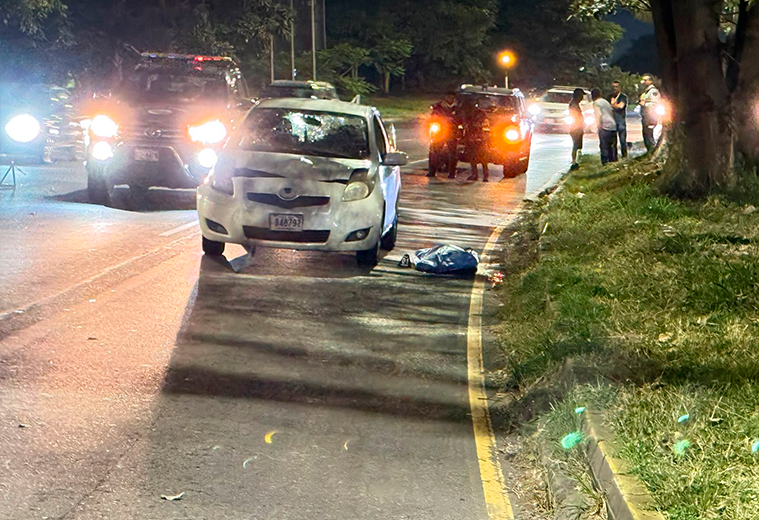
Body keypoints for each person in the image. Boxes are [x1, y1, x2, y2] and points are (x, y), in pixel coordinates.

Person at [428, 92, 458, 178]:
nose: (450, 99)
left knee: (453, 153)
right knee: (434, 151)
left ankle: (452, 173)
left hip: (452, 132)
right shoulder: (438, 106)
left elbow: (461, 118)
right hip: (440, 131)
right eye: (448, 97)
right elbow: (433, 116)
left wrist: (453, 120)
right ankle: (432, 171)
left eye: (452, 97)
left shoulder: (457, 108)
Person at [464, 99, 492, 182]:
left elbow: (485, 126)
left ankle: (484, 176)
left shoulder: (481, 114)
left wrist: (481, 136)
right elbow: (466, 126)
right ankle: (476, 174)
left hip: (480, 139)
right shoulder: (468, 114)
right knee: (473, 157)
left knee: (483, 158)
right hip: (472, 139)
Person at [591, 88, 618, 165]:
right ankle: (613, 162)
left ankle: (605, 163)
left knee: (604, 146)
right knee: (612, 146)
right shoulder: (605, 102)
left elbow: (598, 115)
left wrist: (598, 126)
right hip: (613, 125)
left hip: (605, 126)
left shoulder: (596, 103)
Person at [638, 74, 661, 152]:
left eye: (645, 80)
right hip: (646, 117)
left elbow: (655, 103)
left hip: (650, 117)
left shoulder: (653, 91)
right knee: (646, 135)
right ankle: (650, 151)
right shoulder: (646, 91)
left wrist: (645, 104)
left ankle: (652, 151)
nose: (643, 82)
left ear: (650, 81)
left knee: (649, 136)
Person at [609, 81, 628, 158]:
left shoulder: (623, 97)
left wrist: (612, 105)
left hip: (621, 120)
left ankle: (624, 155)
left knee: (622, 140)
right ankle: (614, 157)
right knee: (613, 141)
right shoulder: (609, 96)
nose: (614, 88)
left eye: (616, 87)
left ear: (620, 88)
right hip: (612, 120)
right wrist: (614, 105)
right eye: (613, 87)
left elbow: (620, 106)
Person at [568, 88, 585, 170]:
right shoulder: (574, 104)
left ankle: (576, 161)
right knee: (575, 145)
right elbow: (575, 116)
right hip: (576, 128)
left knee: (578, 145)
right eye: (581, 95)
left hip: (578, 127)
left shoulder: (575, 103)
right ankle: (574, 163)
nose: (582, 98)